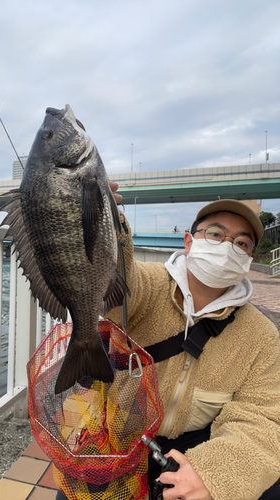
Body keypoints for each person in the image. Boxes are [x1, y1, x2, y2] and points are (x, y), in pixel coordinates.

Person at [56, 184, 280, 500]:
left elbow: (265, 416)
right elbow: (115, 283)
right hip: (119, 432)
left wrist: (214, 474)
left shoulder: (261, 335)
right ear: (189, 242)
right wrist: (95, 223)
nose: (227, 246)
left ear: (248, 259)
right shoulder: (149, 284)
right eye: (216, 235)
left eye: (241, 243)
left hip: (198, 442)